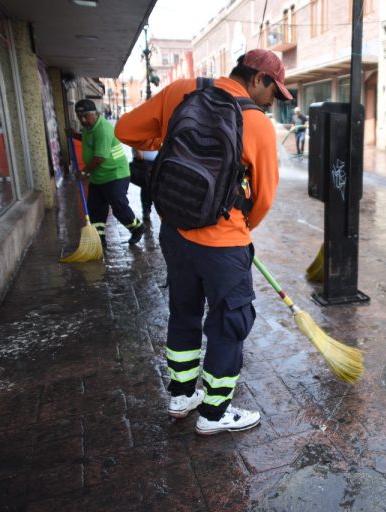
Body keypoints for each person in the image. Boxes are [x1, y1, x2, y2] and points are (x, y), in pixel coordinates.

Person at [115, 49, 292, 436]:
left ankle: (181, 396)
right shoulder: (257, 123)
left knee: (184, 310)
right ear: (258, 79)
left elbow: (125, 130)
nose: (272, 101)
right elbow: (262, 198)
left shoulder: (181, 91)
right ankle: (214, 415)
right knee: (230, 323)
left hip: (174, 230)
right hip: (223, 242)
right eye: (273, 91)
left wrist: (176, 139)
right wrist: (241, 227)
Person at [71, 99, 144, 247]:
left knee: (119, 207)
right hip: (98, 177)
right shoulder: (88, 128)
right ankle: (99, 239)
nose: (83, 120)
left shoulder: (102, 129)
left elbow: (99, 158)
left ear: (95, 114)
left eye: (86, 116)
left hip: (115, 174)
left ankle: (137, 228)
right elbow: (88, 140)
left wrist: (83, 173)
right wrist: (75, 135)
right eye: (80, 117)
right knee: (96, 209)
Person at [130, 148, 158, 220]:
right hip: (145, 162)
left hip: (157, 160)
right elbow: (136, 141)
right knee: (147, 187)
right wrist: (138, 153)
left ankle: (151, 210)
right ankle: (146, 211)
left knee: (158, 187)